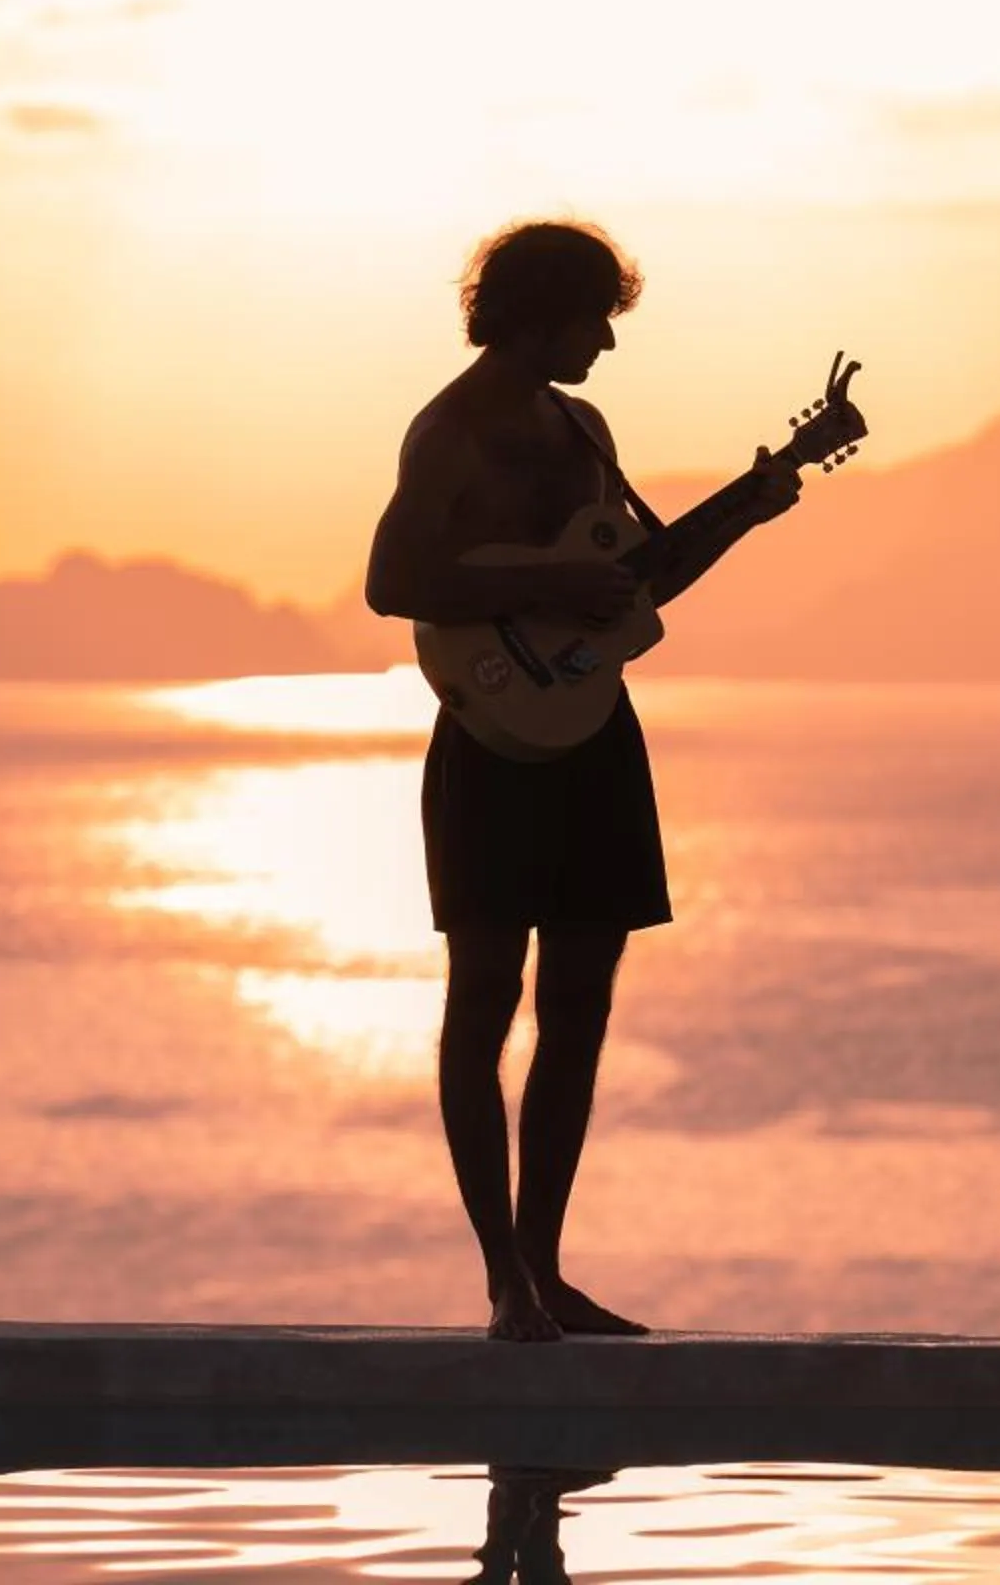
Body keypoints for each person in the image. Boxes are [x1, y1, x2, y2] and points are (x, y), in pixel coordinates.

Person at [365, 220, 799, 1342]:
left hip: (594, 727)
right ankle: (503, 1278)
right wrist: (556, 569)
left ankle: (546, 1269)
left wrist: (747, 509)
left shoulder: (585, 426)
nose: (606, 342)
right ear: (538, 309)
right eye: (594, 317)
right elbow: (391, 579)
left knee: (582, 1007)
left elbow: (628, 594)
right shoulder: (451, 430)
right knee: (483, 998)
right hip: (490, 742)